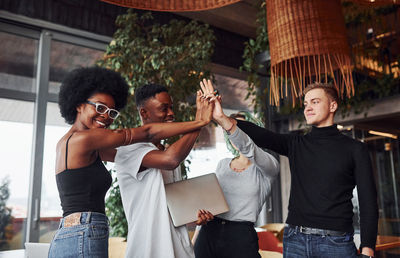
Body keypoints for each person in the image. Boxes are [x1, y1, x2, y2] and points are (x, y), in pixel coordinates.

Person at [202, 79, 378, 258]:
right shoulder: (297, 144)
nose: (307, 108)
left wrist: (368, 249)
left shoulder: (356, 149)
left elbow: (368, 201)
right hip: (296, 241)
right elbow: (262, 135)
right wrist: (222, 118)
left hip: (336, 243)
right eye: (305, 104)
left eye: (315, 102)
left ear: (333, 106)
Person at [48, 67, 212, 258]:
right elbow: (147, 135)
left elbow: (154, 153)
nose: (106, 116)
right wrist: (201, 121)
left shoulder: (81, 145)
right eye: (100, 107)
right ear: (78, 104)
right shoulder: (83, 140)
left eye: (111, 112)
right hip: (83, 232)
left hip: (78, 232)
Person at [114, 83, 214, 258]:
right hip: (148, 251)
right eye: (164, 108)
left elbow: (172, 206)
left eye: (171, 107)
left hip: (181, 250)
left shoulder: (167, 148)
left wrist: (195, 216)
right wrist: (200, 122)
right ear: (144, 113)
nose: (171, 113)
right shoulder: (129, 149)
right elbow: (170, 160)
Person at [192, 108, 280, 258]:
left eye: (240, 128)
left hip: (240, 237)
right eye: (230, 129)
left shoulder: (267, 166)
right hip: (209, 233)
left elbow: (249, 148)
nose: (234, 134)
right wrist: (195, 238)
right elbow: (211, 202)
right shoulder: (222, 164)